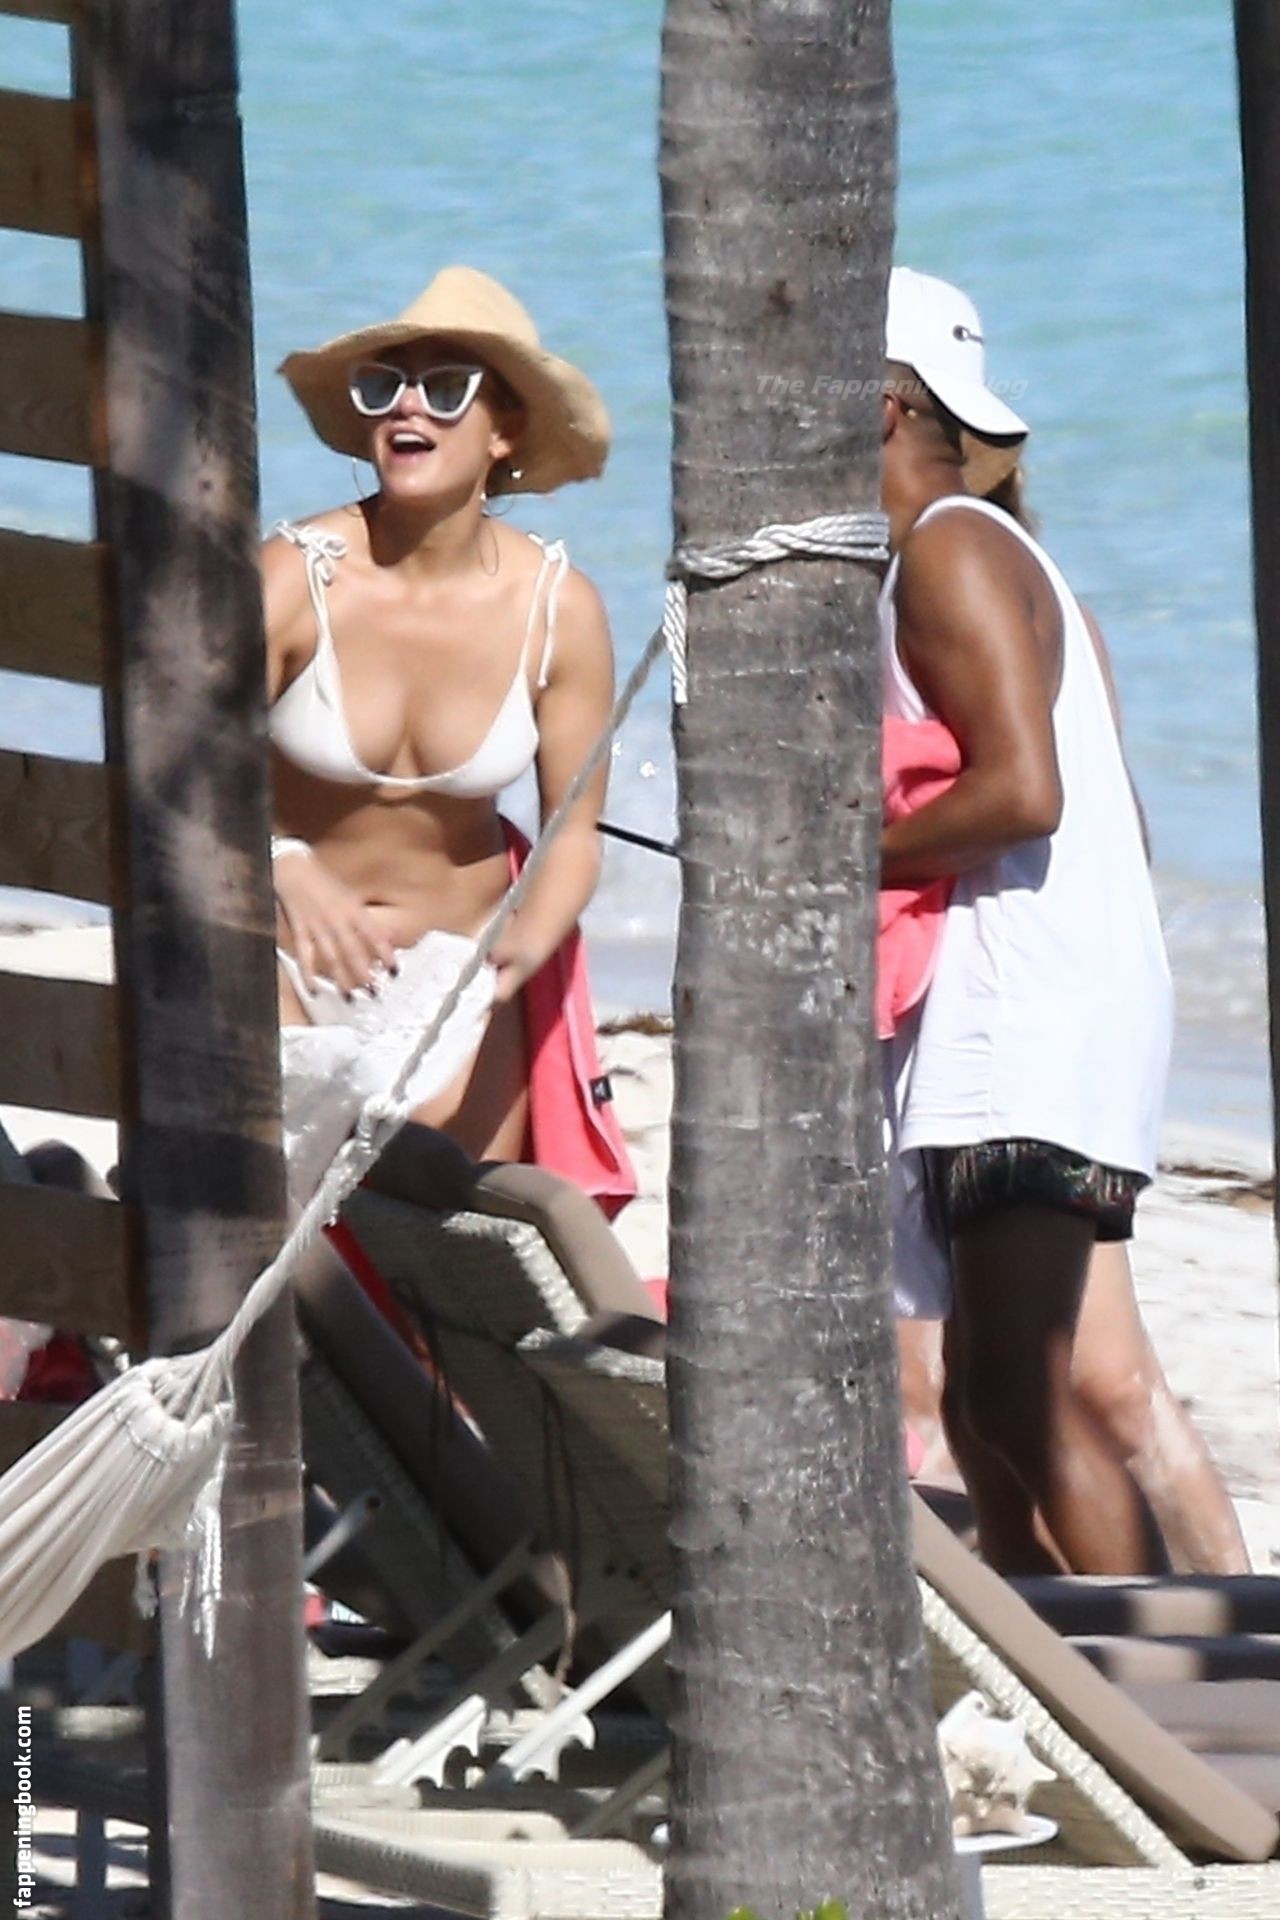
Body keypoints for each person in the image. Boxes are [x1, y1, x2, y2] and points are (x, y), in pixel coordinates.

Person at [880, 267, 1176, 1576]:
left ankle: (1145, 1672)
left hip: (1024, 1016)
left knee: (1017, 1396)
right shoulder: (987, 550)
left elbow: (1021, 793)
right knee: (982, 1400)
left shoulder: (948, 548)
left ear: (876, 408)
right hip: (1043, 1006)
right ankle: (1044, 1661)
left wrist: (827, 863)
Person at [261, 265, 633, 1210]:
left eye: (446, 386)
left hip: (462, 979)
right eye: (384, 385)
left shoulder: (559, 610)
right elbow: (180, 773)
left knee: (445, 1257)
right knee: (273, 1255)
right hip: (282, 964)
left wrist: (517, 955)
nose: (407, 406)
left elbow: (573, 832)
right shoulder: (294, 578)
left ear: (505, 430)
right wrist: (283, 864)